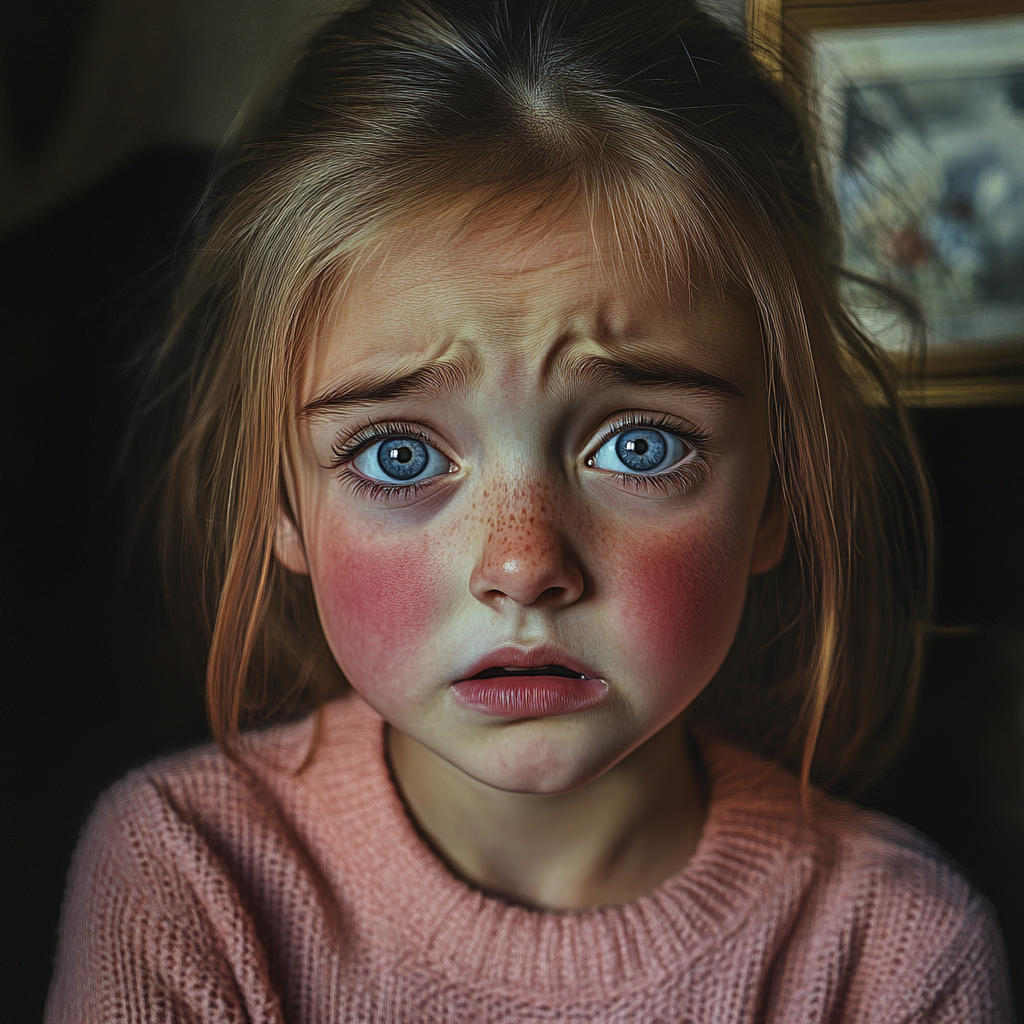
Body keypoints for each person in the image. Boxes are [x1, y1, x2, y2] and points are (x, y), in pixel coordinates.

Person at [45, 1, 1013, 1020]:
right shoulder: (187, 874)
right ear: (281, 499)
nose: (522, 564)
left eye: (640, 447)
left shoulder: (896, 953)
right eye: (399, 452)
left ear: (776, 489)